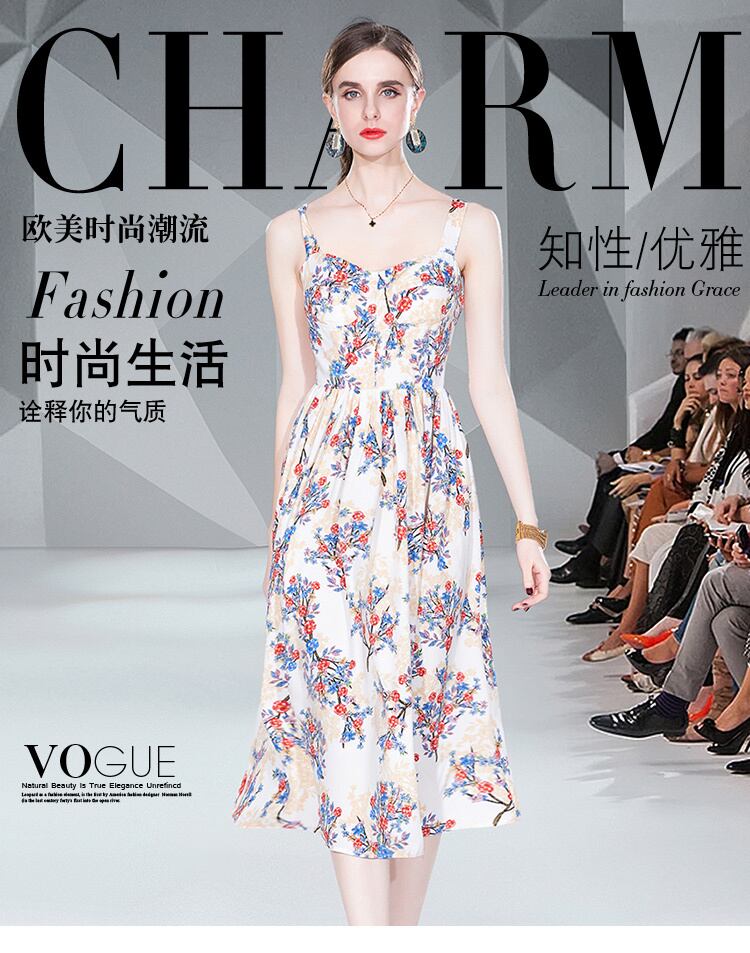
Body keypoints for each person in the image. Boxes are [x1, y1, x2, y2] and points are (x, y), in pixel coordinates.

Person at [230, 18, 550, 926]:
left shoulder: (467, 226)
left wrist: (528, 524)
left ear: (417, 102)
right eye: (351, 91)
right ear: (329, 105)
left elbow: (489, 383)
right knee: (343, 701)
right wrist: (276, 528)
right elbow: (296, 386)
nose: (370, 108)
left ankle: (397, 934)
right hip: (324, 495)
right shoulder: (292, 233)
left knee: (421, 699)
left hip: (429, 492)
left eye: (389, 90)